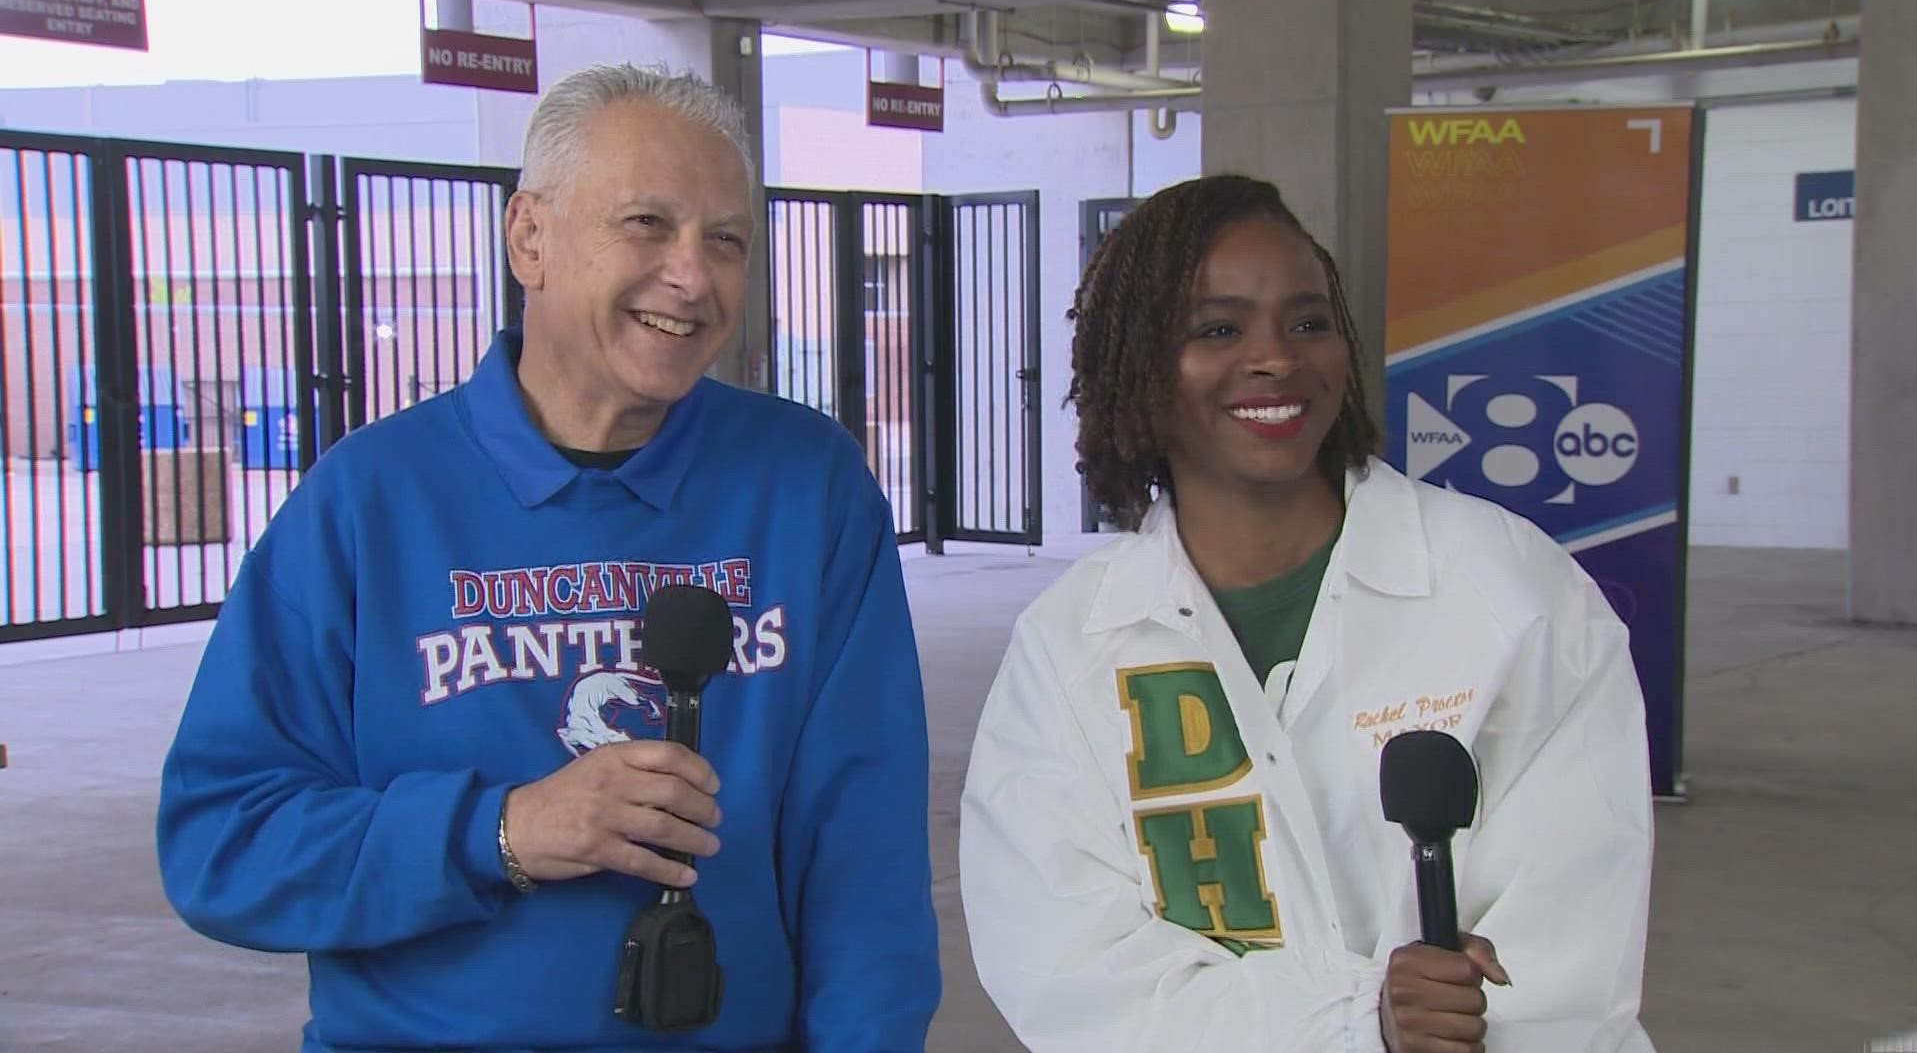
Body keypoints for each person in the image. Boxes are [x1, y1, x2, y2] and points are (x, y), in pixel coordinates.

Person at [157, 63, 940, 1052]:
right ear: (530, 236)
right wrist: (502, 833)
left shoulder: (806, 486)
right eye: (647, 225)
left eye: (727, 240)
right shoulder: (369, 503)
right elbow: (222, 844)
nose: (691, 276)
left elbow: (862, 856)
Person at [958, 174, 1655, 1052]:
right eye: (1217, 329)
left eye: (1309, 322)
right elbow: (1069, 971)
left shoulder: (1509, 591)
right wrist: (1360, 1023)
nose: (1277, 358)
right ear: (1136, 365)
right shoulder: (1071, 647)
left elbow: (1567, 947)